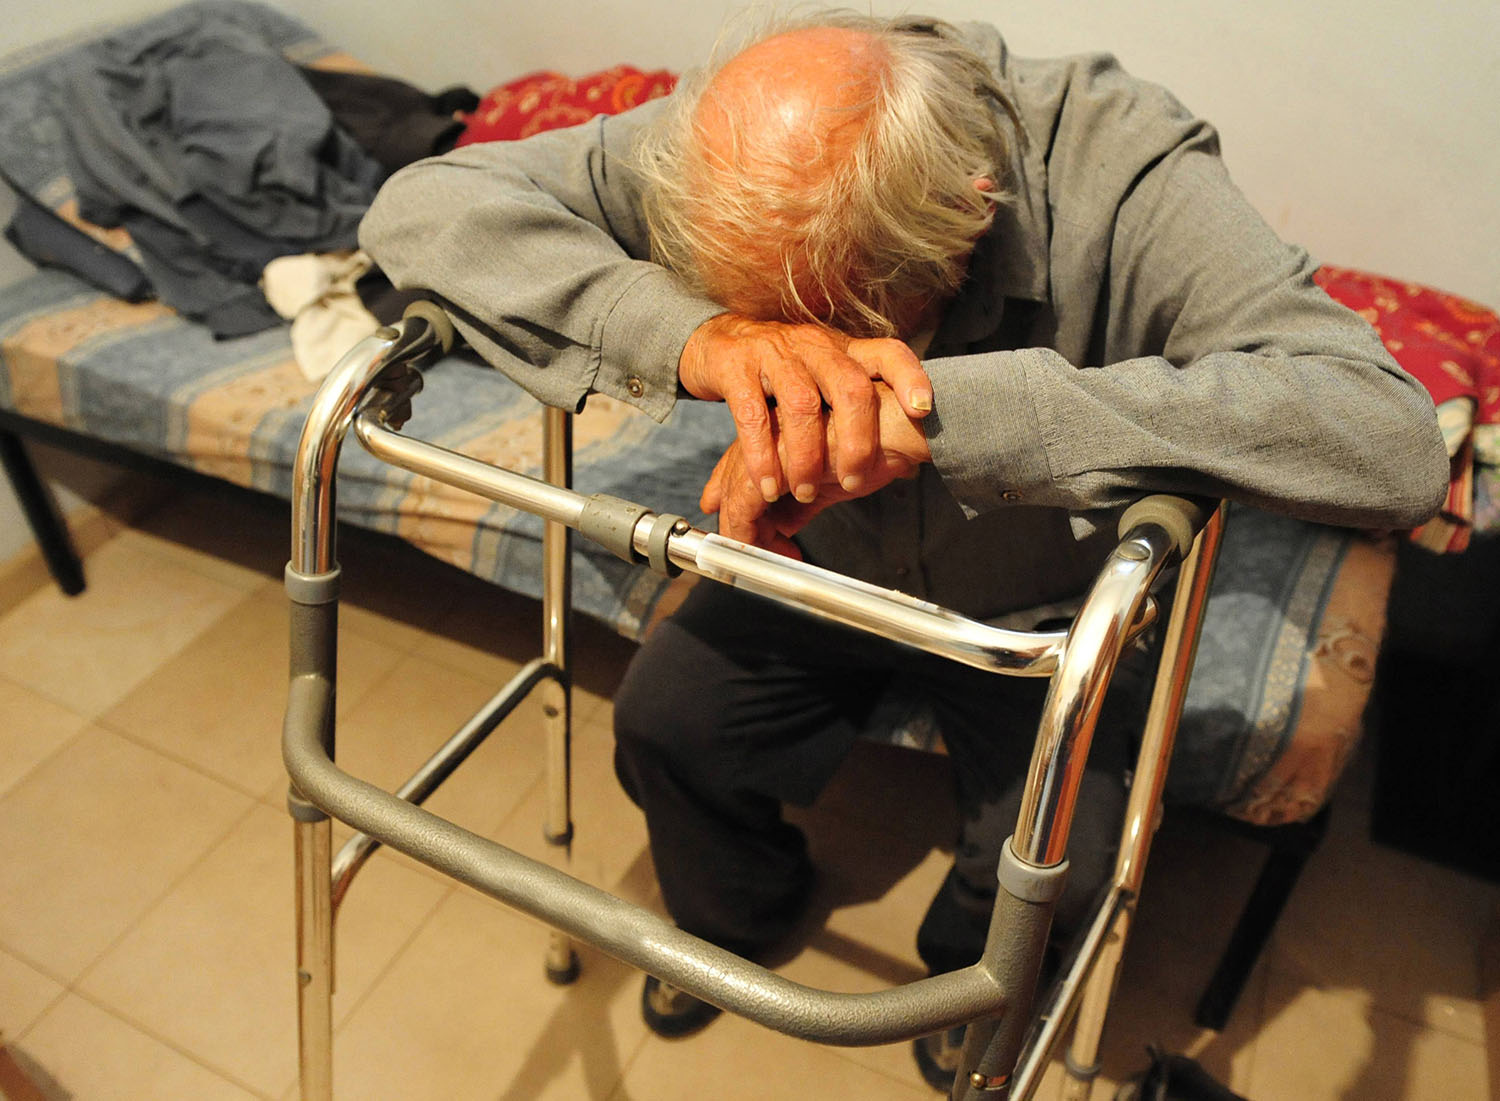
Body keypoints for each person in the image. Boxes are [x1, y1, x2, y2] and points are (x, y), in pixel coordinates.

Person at [360, 10, 1447, 1090]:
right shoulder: (752, 132)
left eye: (829, 329)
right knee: (663, 728)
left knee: (1057, 873)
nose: (808, 369)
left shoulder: (1120, 164)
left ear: (966, 224)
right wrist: (694, 336)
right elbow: (423, 204)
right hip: (818, 555)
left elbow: (1385, 437)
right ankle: (739, 918)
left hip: (1038, 604)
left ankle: (962, 993)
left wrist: (933, 416)